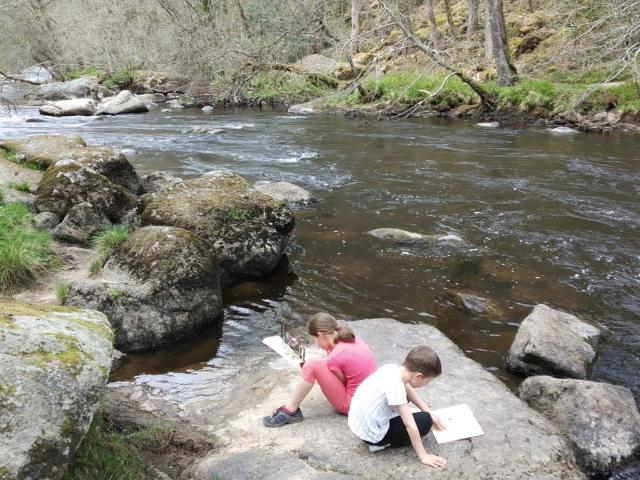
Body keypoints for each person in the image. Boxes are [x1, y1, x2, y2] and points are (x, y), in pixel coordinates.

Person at [263, 312, 377, 427]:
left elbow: (343, 384)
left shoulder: (335, 356)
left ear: (321, 335)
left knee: (313, 364)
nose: (316, 344)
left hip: (353, 406)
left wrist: (311, 371)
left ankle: (290, 410)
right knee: (314, 365)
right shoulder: (352, 339)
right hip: (370, 400)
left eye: (314, 339)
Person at [347, 345, 447, 468]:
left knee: (421, 411)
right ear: (418, 376)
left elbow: (407, 387)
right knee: (425, 420)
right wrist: (424, 456)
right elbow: (409, 425)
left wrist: (427, 410)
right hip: (374, 436)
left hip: (359, 426)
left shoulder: (392, 369)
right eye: (427, 382)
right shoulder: (396, 387)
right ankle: (384, 444)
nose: (426, 385)